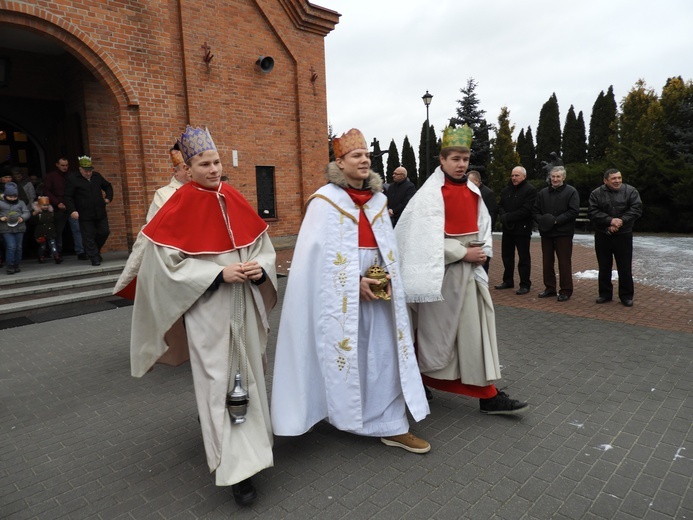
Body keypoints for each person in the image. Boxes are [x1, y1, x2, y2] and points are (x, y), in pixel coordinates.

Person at [130, 126, 277, 507]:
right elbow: (163, 267)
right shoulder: (176, 204)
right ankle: (234, 470)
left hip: (244, 302)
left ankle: (256, 450)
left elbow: (264, 247)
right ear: (188, 168)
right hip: (208, 310)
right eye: (204, 164)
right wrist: (216, 274)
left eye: (216, 162)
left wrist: (259, 270)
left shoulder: (233, 196)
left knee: (252, 378)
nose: (213, 170)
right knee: (218, 384)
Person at [272, 128, 431, 454]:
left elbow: (388, 246)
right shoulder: (324, 202)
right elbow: (311, 262)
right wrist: (350, 283)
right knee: (344, 354)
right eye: (356, 156)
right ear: (340, 163)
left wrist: (388, 274)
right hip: (338, 298)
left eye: (367, 156)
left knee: (383, 354)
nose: (364, 160)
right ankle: (332, 411)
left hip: (378, 291)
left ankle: (390, 423)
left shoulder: (378, 200)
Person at [395, 125, 528, 415]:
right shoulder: (429, 195)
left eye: (465, 159)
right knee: (435, 334)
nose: (461, 164)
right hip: (440, 276)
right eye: (455, 159)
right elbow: (417, 239)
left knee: (474, 332)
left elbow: (483, 225)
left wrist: (482, 252)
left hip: (470, 273)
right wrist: (461, 252)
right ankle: (420, 379)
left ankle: (487, 394)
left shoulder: (472, 190)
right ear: (442, 160)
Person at [587, 168, 643, 307]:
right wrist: (609, 221)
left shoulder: (631, 191)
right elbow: (593, 212)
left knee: (624, 266)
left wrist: (620, 221)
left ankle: (626, 296)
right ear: (605, 180)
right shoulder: (596, 193)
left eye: (619, 178)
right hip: (603, 234)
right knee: (604, 266)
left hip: (623, 235)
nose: (617, 181)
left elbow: (636, 209)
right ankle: (605, 294)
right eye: (614, 179)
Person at [532, 166, 579, 301]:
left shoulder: (571, 192)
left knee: (564, 262)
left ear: (563, 177)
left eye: (558, 176)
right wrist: (544, 221)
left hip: (563, 232)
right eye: (553, 176)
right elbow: (535, 211)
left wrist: (556, 221)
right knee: (547, 262)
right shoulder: (542, 193)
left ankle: (565, 290)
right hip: (546, 233)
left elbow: (573, 211)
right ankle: (550, 288)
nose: (555, 179)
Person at [64, 156, 113, 266]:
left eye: (90, 170)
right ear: (80, 169)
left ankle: (94, 250)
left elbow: (108, 186)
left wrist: (108, 197)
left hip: (100, 211)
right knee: (88, 235)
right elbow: (68, 197)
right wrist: (72, 210)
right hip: (84, 213)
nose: (88, 173)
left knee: (104, 232)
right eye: (86, 171)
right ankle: (94, 257)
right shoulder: (72, 179)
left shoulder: (97, 176)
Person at [495, 166, 536, 295]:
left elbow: (526, 210)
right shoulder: (507, 189)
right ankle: (508, 281)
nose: (514, 178)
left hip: (522, 229)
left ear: (524, 176)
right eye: (512, 175)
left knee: (523, 258)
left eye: (517, 175)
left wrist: (507, 217)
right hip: (508, 229)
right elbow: (500, 205)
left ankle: (525, 284)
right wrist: (503, 216)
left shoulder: (530, 190)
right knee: (507, 256)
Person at [43, 158, 86, 259]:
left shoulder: (72, 176)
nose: (65, 167)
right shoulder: (51, 176)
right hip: (58, 206)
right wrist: (57, 203)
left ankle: (80, 251)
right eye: (62, 165)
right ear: (57, 164)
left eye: (66, 165)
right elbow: (46, 191)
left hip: (71, 206)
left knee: (77, 229)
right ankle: (57, 252)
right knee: (58, 230)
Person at [145, 146, 190, 221]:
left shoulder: (205, 189)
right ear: (175, 171)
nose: (191, 171)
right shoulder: (163, 195)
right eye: (186, 168)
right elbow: (153, 227)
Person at [467, 170, 497, 273]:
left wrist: (488, 231)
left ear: (476, 181)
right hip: (471, 232)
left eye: (469, 181)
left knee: (483, 258)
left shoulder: (488, 193)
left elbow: (492, 213)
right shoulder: (468, 192)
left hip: (483, 233)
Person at [0, 182, 31, 274]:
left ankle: (16, 264)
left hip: (19, 228)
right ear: (5, 195)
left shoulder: (21, 203)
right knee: (11, 246)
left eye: (14, 196)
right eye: (10, 197)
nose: (13, 198)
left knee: (19, 247)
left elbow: (27, 212)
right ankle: (10, 265)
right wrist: (0, 217)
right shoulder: (1, 203)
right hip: (6, 229)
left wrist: (22, 217)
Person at [31, 196, 63, 264]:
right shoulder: (37, 214)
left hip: (50, 232)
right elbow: (32, 222)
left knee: (53, 245)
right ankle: (41, 256)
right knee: (43, 246)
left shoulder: (51, 213)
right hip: (41, 232)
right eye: (44, 205)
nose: (45, 207)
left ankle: (56, 256)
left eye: (47, 205)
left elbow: (56, 219)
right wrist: (34, 215)